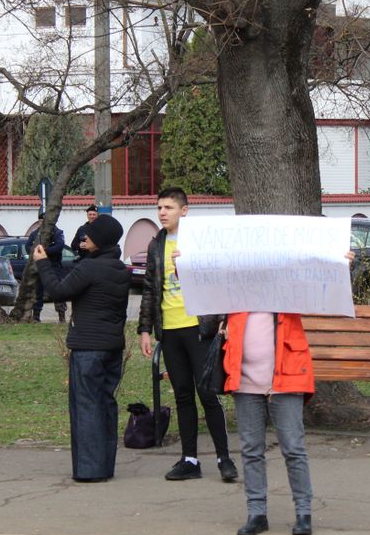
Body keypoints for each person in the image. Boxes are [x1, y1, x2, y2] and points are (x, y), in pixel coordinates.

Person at [138, 187, 236, 482]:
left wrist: (224, 319)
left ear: (184, 210)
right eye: (159, 207)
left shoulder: (199, 242)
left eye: (168, 207)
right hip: (170, 330)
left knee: (207, 393)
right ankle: (189, 459)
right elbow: (149, 289)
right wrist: (145, 329)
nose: (162, 213)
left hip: (198, 328)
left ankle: (224, 459)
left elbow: (219, 279)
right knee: (182, 395)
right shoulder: (157, 245)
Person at [33, 212, 130, 482]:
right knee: (105, 404)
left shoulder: (90, 268)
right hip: (112, 346)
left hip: (87, 347)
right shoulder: (119, 269)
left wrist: (43, 264)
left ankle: (89, 470)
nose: (85, 236)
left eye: (91, 233)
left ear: (101, 240)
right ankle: (105, 465)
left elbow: (59, 290)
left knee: (86, 406)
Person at [223, 311, 315, 535]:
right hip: (245, 381)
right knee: (251, 449)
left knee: (293, 448)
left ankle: (303, 512)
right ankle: (257, 514)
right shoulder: (234, 292)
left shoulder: (286, 288)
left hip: (286, 378)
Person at [25, 211, 66, 322]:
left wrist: (44, 251)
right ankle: (36, 316)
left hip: (54, 266)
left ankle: (61, 316)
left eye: (44, 220)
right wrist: (35, 252)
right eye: (40, 221)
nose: (42, 223)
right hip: (39, 265)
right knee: (38, 292)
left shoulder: (57, 232)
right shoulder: (35, 233)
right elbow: (28, 246)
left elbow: (59, 247)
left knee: (58, 291)